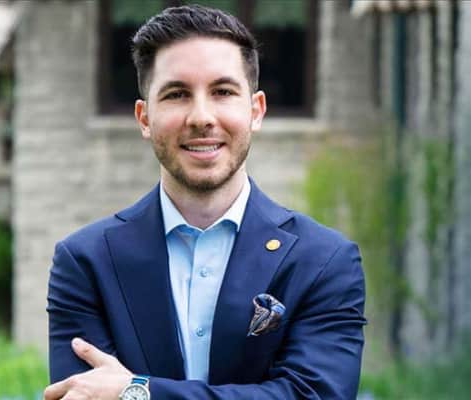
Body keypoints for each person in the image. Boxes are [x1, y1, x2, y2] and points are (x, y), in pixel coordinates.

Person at [44, 5, 367, 400]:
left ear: (255, 111)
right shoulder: (85, 263)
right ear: (144, 118)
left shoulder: (324, 262)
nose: (201, 117)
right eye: (177, 94)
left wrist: (137, 391)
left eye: (223, 92)